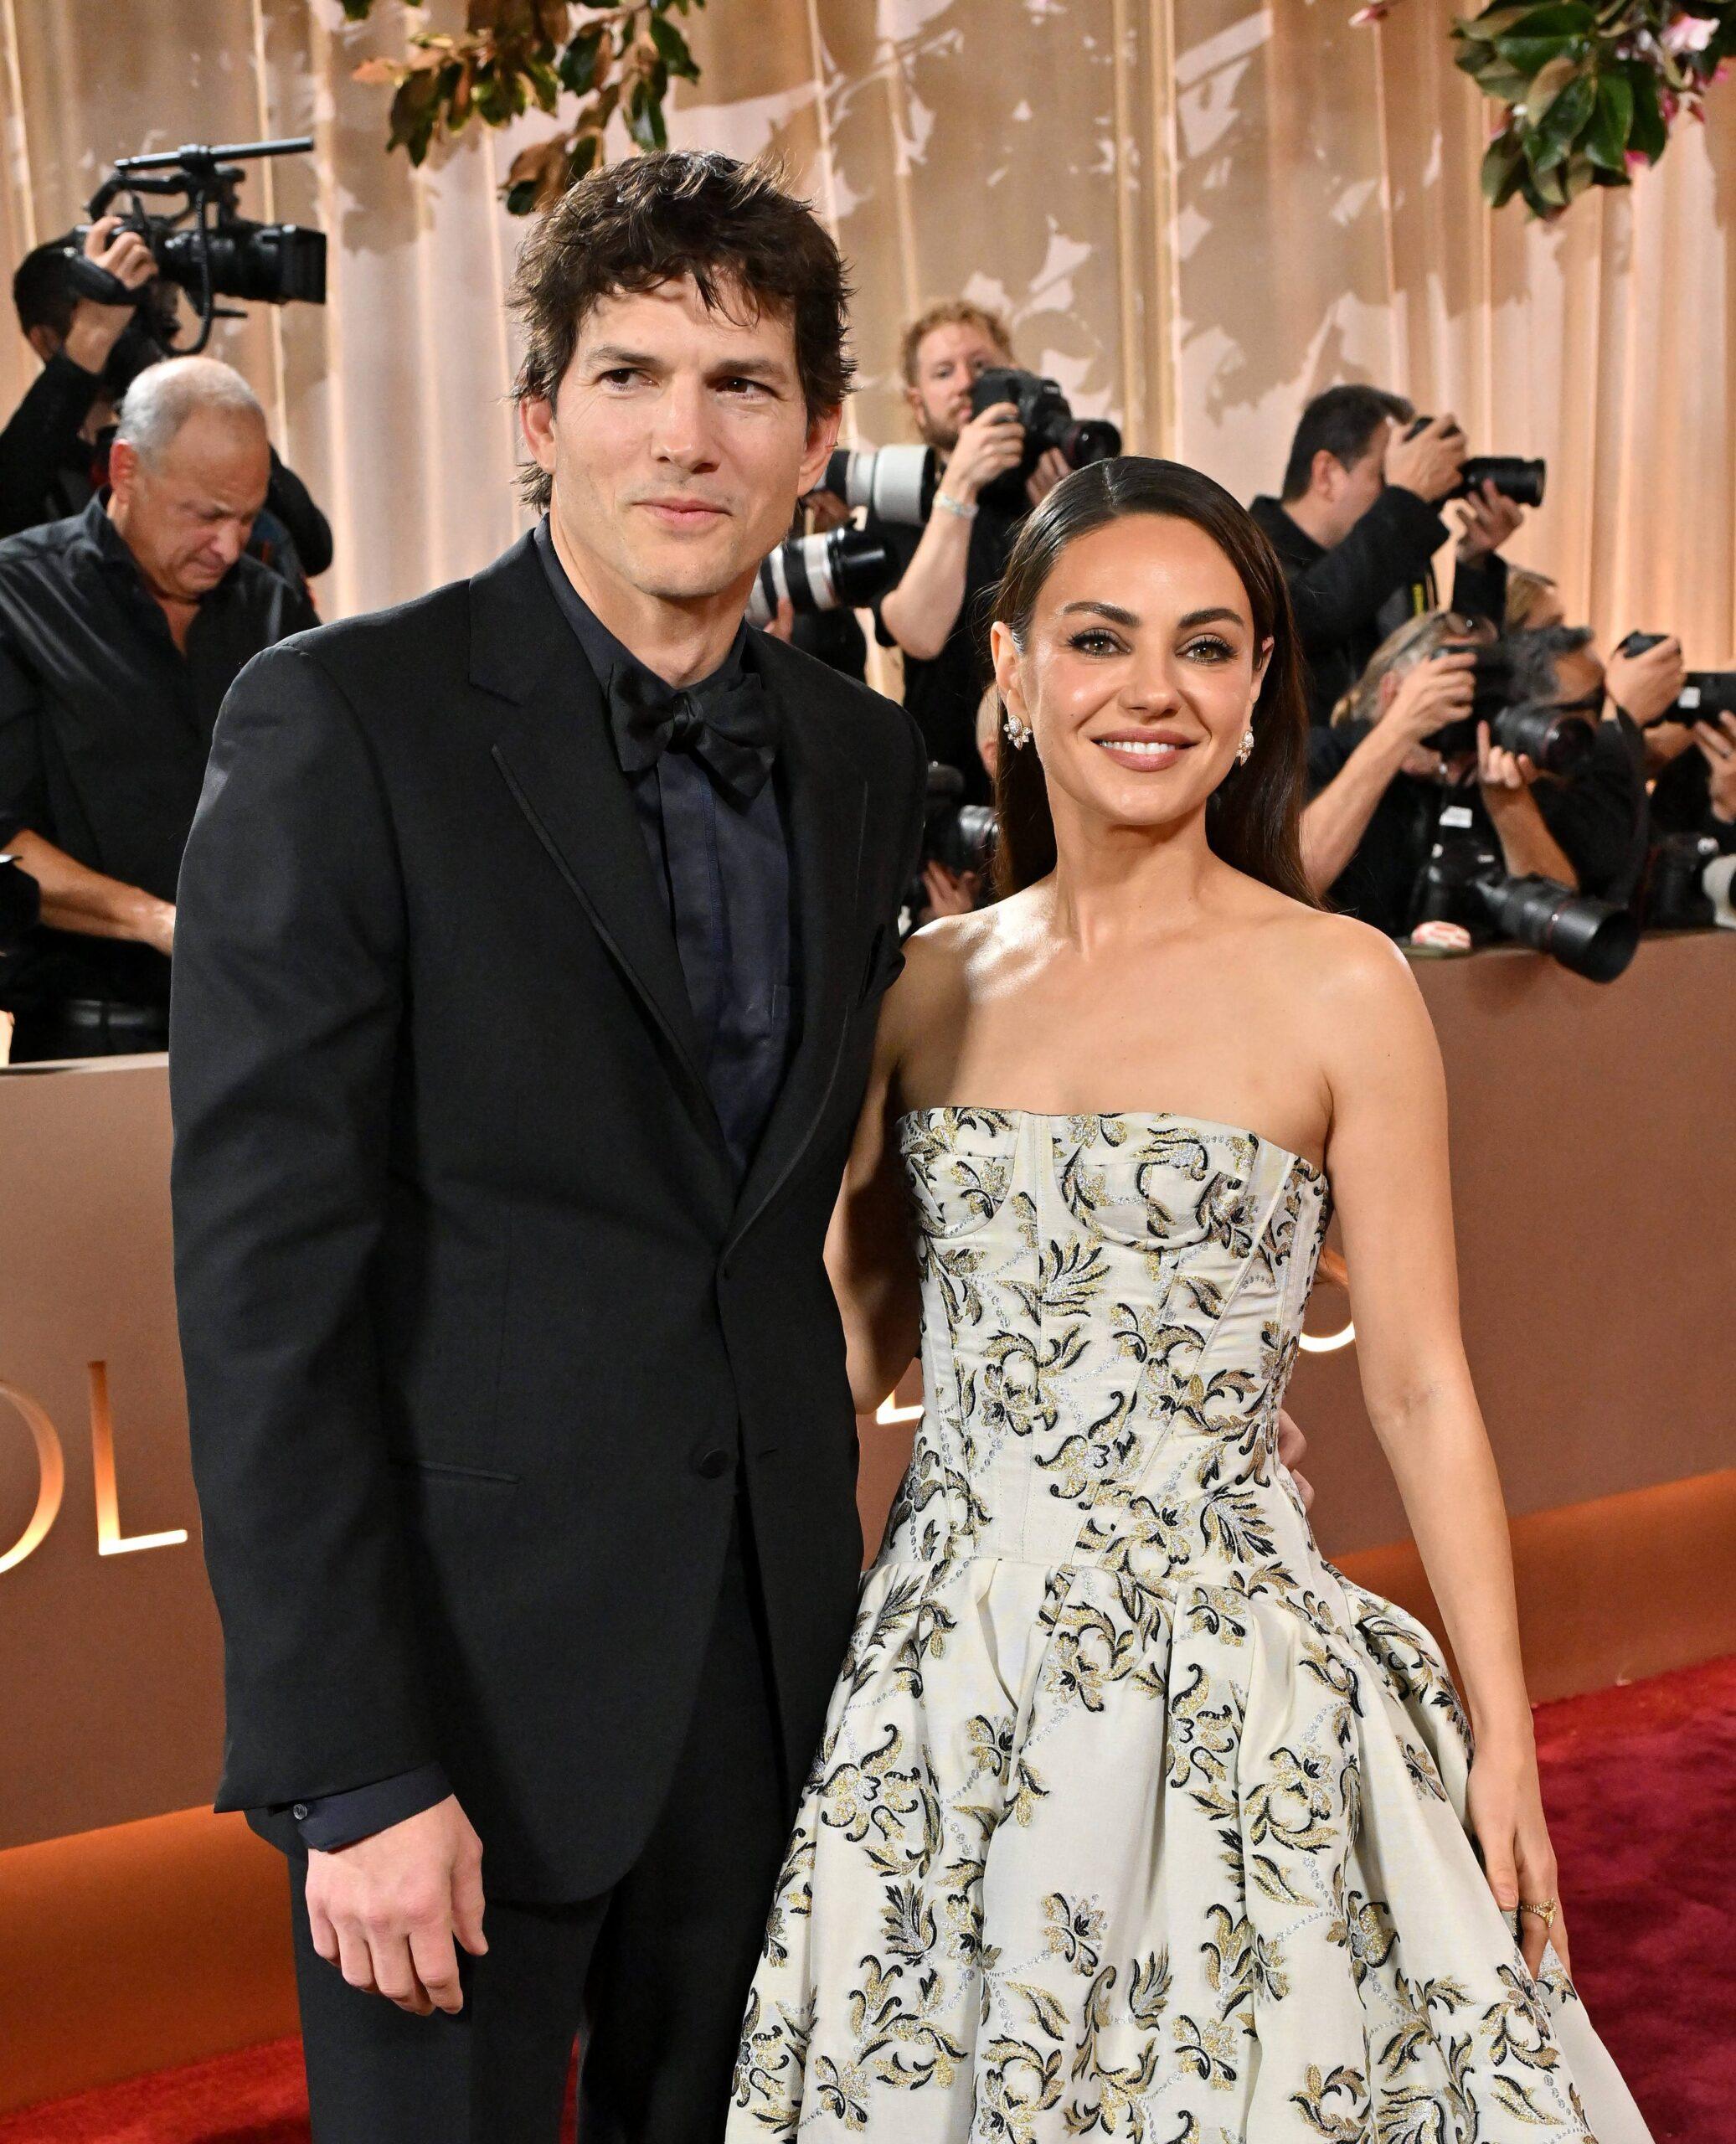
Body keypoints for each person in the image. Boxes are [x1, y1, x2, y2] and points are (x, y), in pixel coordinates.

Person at [728, 456, 1653, 2141]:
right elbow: (848, 1346)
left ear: (1253, 698)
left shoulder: (1337, 981)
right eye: (1097, 639)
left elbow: (1421, 1385)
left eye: (1208, 648)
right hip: (946, 1682)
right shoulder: (922, 987)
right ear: (1008, 676)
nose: (1152, 689)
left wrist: (1502, 1740)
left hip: (1231, 1686)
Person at [0, 355, 313, 1062]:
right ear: (125, 470)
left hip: (263, 1024)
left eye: (247, 517)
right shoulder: (16, 596)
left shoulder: (270, 607)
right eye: (204, 516)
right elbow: (5, 840)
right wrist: (159, 923)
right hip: (90, 1035)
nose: (228, 546)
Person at [1, 220, 332, 589]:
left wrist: (165, 383)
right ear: (45, 341)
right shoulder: (35, 465)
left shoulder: (187, 443)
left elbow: (313, 546)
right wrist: (91, 341)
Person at [870, 300, 1069, 802]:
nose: (964, 383)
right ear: (918, 404)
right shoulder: (896, 501)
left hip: (1056, 772)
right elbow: (919, 634)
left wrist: (1062, 517)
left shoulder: (1051, 480)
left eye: (981, 366)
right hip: (949, 780)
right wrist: (959, 484)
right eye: (943, 372)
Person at [1251, 384, 1523, 733]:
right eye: (1389, 473)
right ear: (1327, 474)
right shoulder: (1246, 555)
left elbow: (1434, 667)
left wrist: (1475, 562)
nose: (1403, 485)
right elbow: (1304, 620)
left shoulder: (1380, 556)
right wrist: (1405, 501)